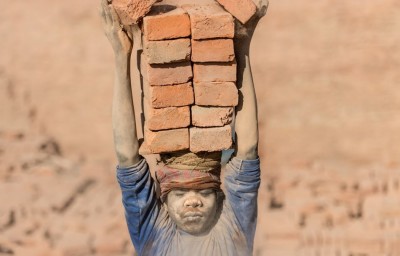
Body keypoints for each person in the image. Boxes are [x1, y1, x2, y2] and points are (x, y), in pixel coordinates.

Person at [100, 0, 268, 255]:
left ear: (222, 200)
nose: (193, 202)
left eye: (203, 192)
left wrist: (121, 57)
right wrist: (242, 47)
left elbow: (127, 158)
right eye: (179, 193)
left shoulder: (158, 240)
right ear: (163, 203)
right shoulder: (159, 234)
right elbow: (248, 150)